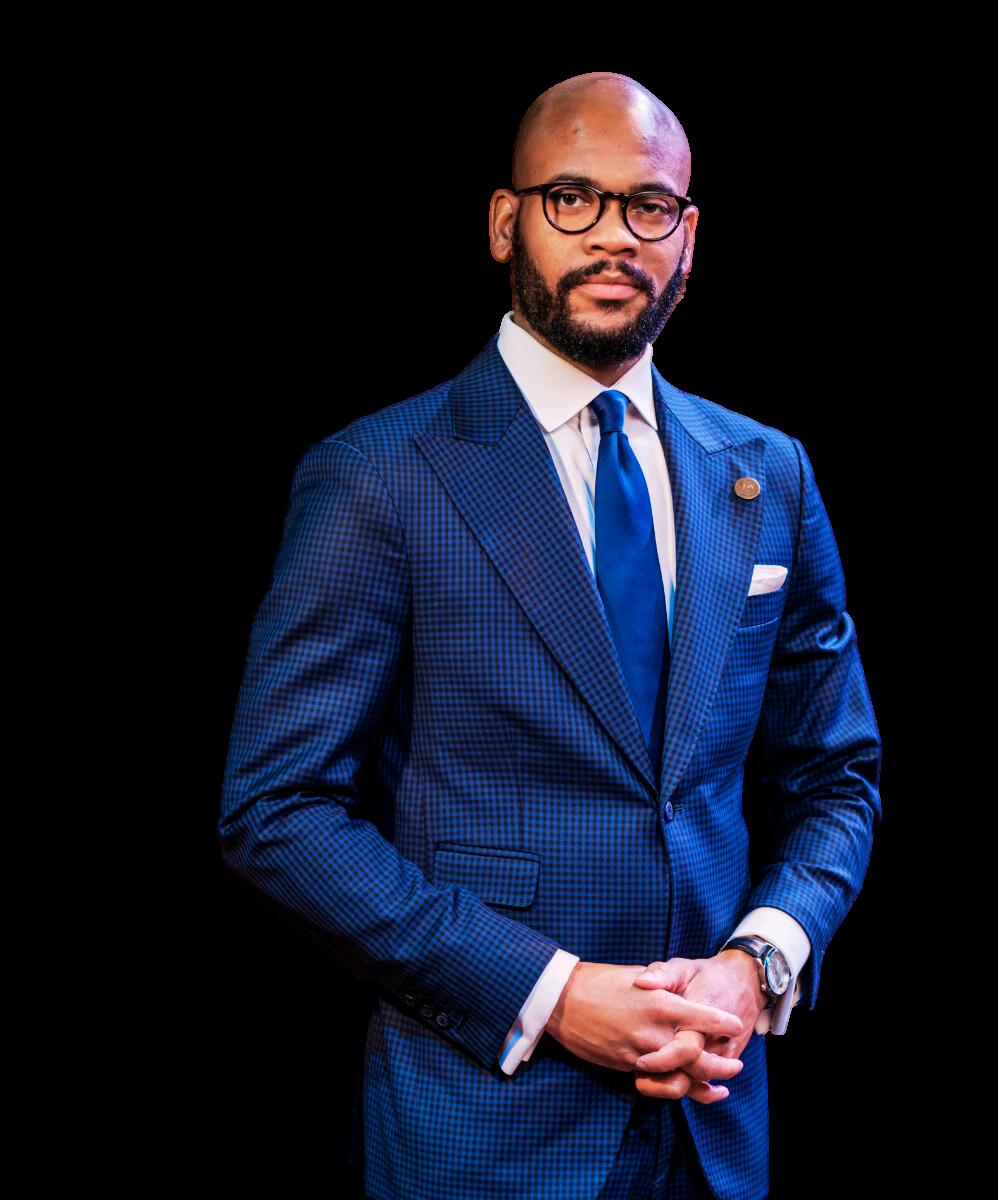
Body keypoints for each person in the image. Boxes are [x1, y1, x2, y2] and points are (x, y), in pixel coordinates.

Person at [219, 70, 882, 1200]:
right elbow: (277, 811)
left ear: (688, 238)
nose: (614, 235)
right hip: (486, 1129)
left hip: (713, 1119)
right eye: (572, 198)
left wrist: (759, 960)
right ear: (504, 222)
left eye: (649, 206)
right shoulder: (379, 476)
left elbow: (836, 773)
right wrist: (555, 992)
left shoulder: (768, 473)